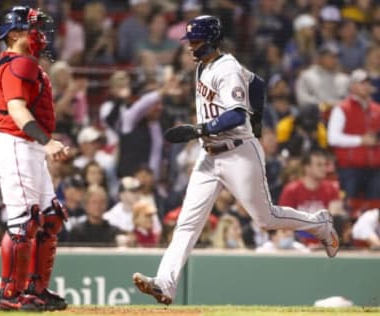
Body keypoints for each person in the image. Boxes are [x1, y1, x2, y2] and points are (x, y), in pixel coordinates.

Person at [132, 15, 339, 305]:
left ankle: (319, 223)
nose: (190, 46)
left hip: (238, 152)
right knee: (187, 223)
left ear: (213, 39)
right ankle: (165, 284)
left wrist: (201, 128)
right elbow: (257, 84)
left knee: (265, 218)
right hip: (209, 154)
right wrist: (256, 120)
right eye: (189, 40)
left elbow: (236, 115)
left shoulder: (226, 68)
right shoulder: (206, 65)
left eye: (196, 40)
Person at [0, 6, 69, 312]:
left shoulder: (23, 63)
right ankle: (9, 293)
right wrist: (47, 142)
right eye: (34, 29)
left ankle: (35, 289)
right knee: (24, 224)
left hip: (26, 146)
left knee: (50, 218)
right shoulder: (19, 62)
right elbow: (18, 111)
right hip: (16, 144)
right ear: (16, 34)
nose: (40, 35)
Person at [327, 68, 380, 199]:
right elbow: (332, 138)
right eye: (361, 82)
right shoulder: (341, 108)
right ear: (352, 86)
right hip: (349, 169)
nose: (365, 86)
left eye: (367, 83)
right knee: (349, 207)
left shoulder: (377, 109)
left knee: (375, 211)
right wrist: (360, 140)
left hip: (375, 168)